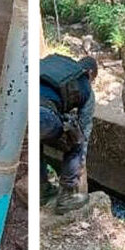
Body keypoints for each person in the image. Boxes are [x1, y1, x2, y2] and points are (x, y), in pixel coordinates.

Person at [40, 54, 98, 214]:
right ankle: (66, 197)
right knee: (76, 140)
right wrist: (80, 162)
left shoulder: (58, 65)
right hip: (42, 114)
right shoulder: (85, 83)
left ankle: (41, 189)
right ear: (90, 73)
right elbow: (84, 130)